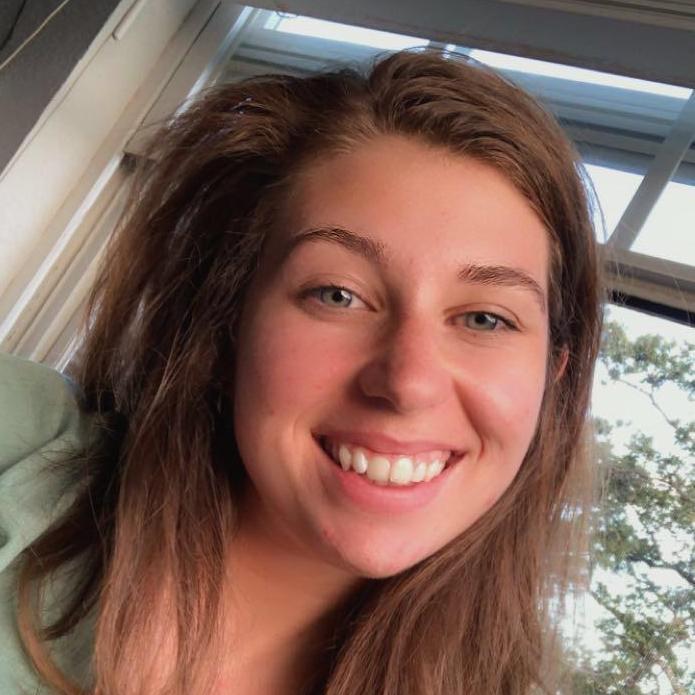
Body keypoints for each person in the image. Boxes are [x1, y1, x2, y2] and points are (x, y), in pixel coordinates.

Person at [0, 49, 602, 695]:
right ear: (226, 325)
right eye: (337, 294)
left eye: (485, 318)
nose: (408, 383)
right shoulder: (17, 438)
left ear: (552, 380)